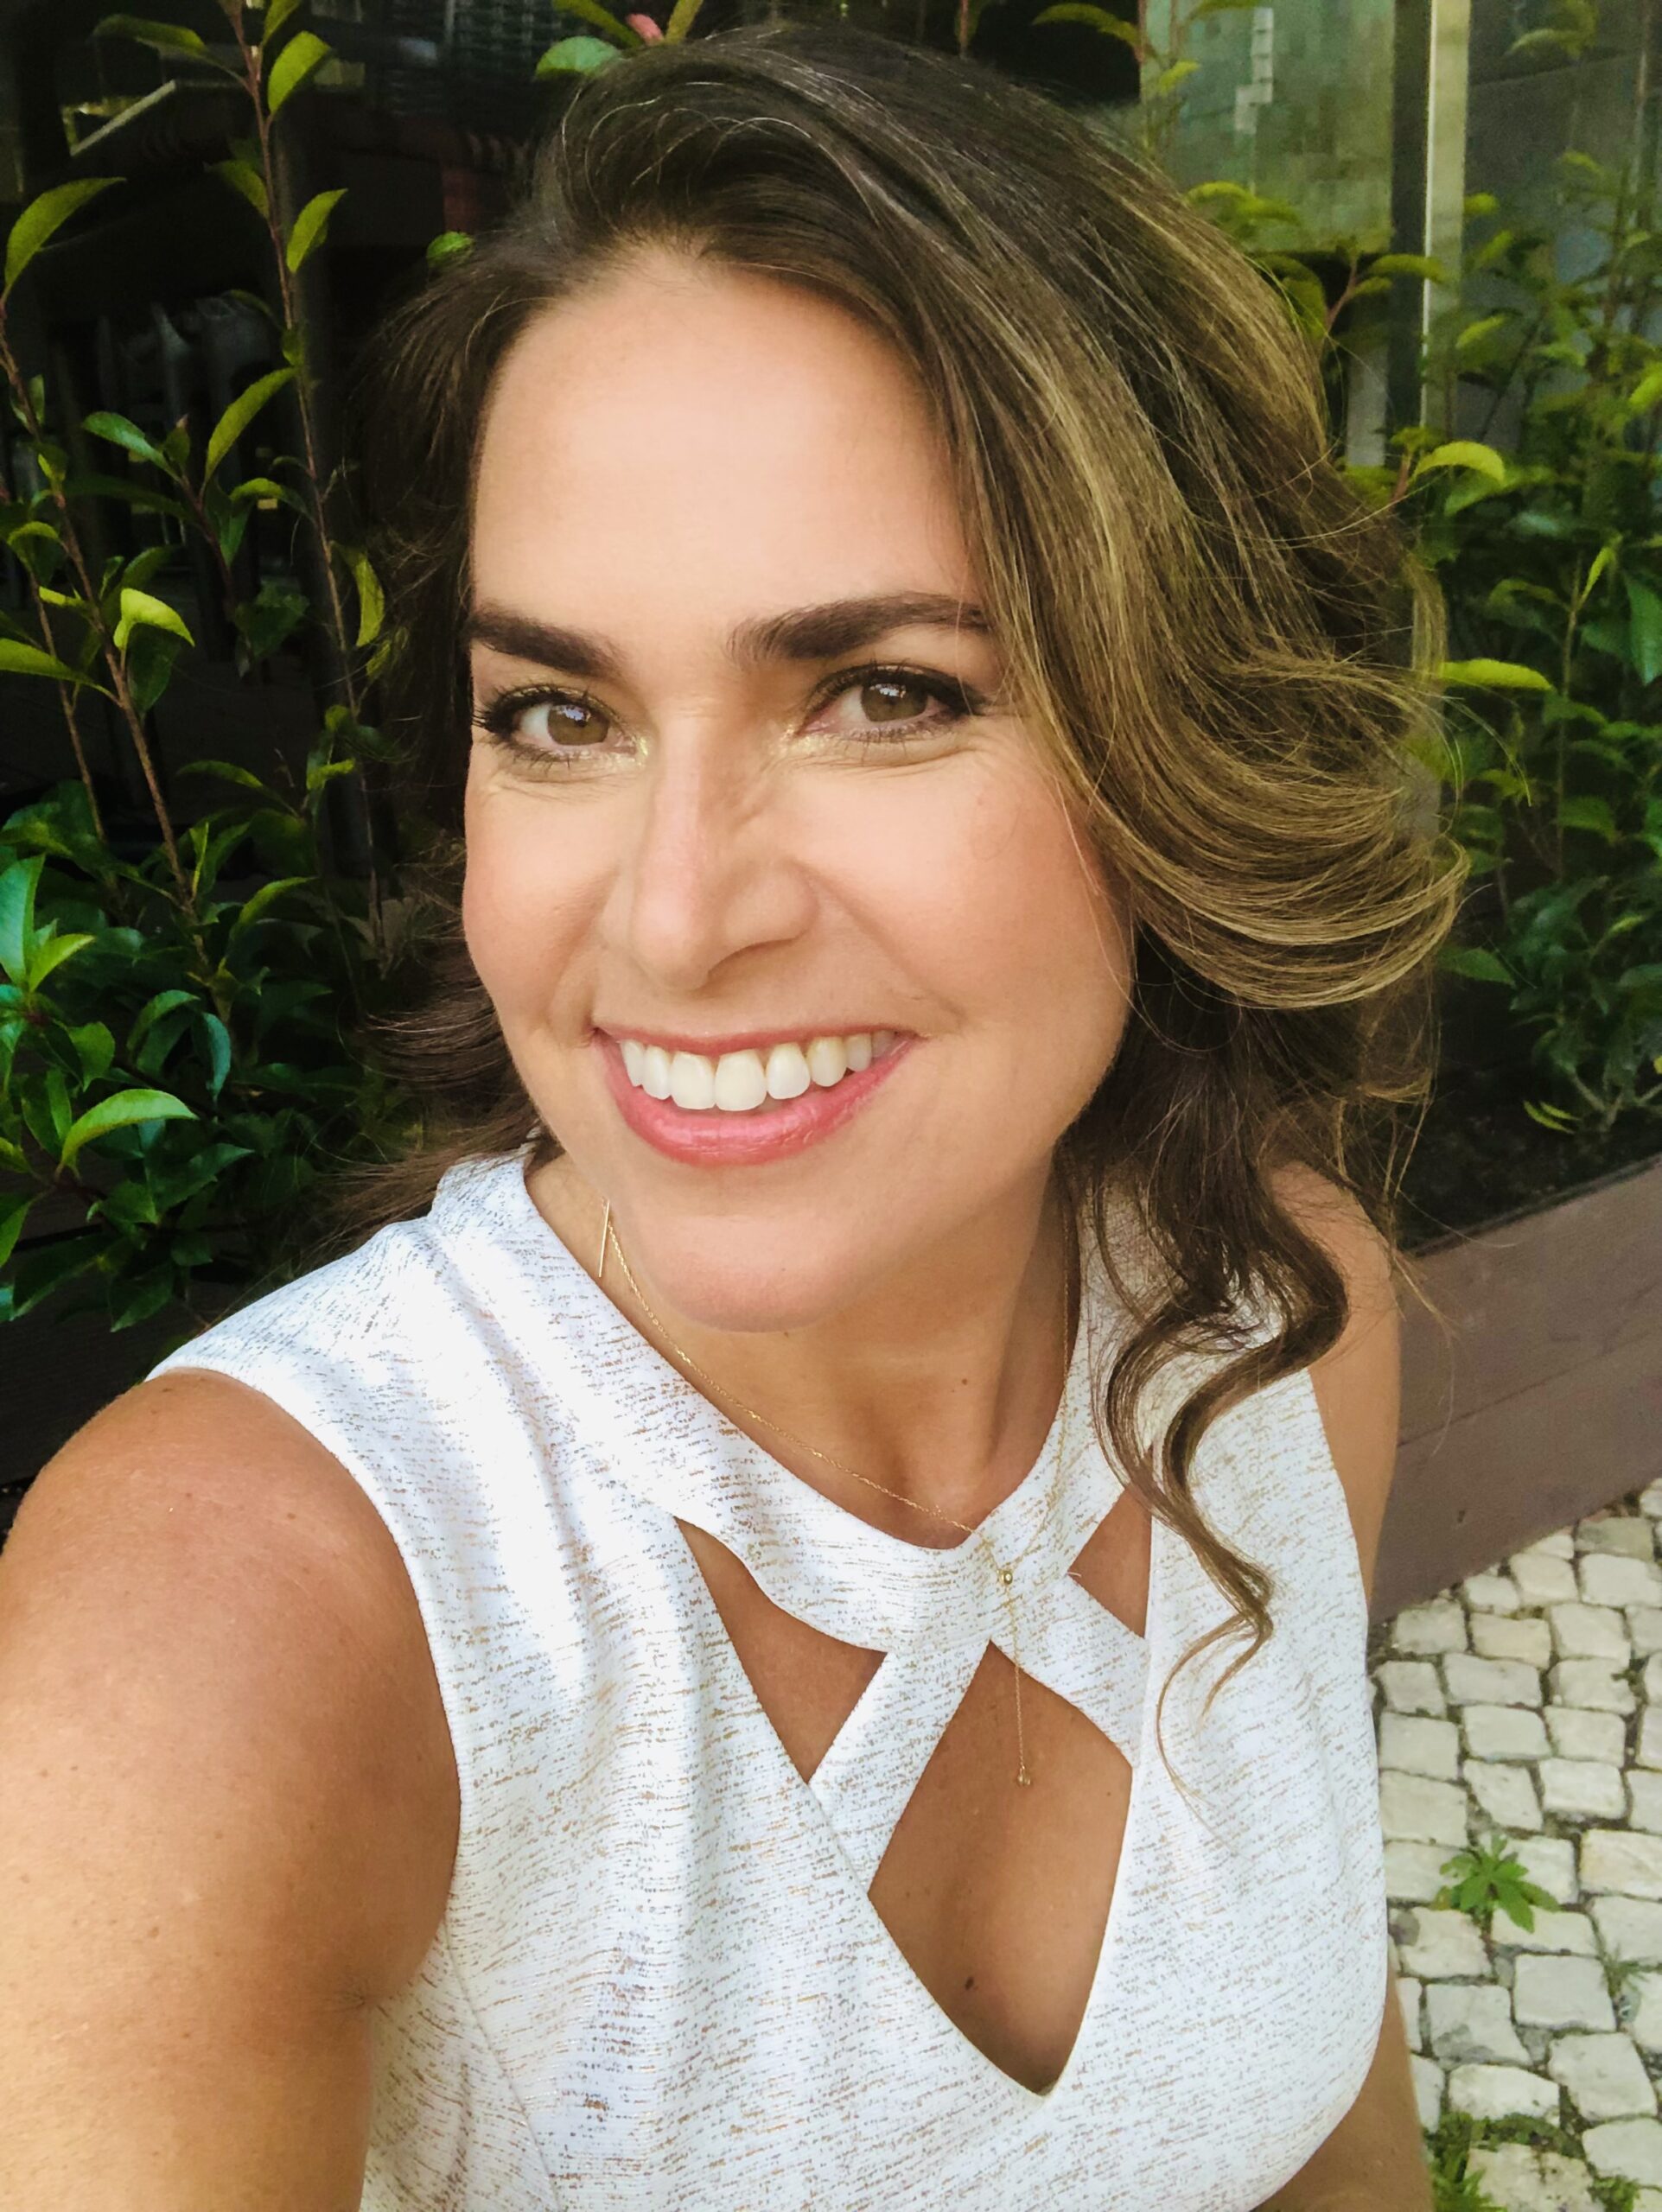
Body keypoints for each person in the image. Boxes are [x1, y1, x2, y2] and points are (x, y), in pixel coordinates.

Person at [0, 22, 1460, 2209]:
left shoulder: (1278, 1323)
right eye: (558, 710)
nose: (674, 920)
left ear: (1190, 737)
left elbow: (1321, 2119)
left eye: (887, 692)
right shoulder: (241, 1625)